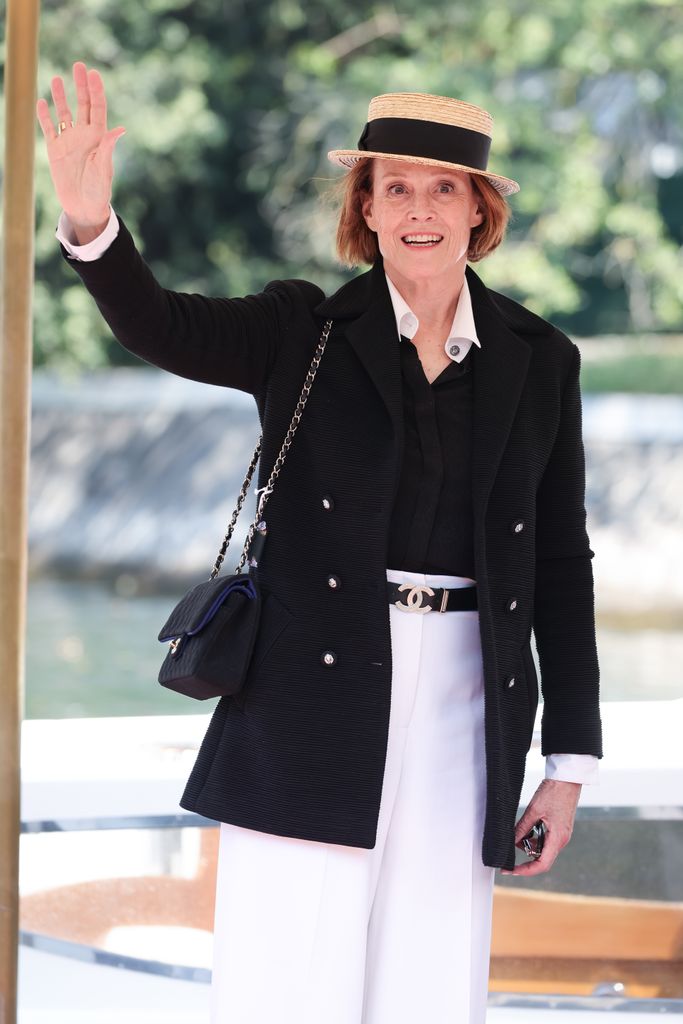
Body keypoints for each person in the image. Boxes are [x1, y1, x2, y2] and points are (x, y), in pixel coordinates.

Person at [37, 63, 603, 1024]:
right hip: (310, 686)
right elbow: (160, 324)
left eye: (442, 189)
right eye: (395, 189)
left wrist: (568, 761)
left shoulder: (540, 358)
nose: (418, 209)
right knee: (289, 980)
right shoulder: (299, 328)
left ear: (477, 213)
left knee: (428, 980)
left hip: (472, 701)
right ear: (367, 211)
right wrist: (93, 227)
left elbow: (558, 560)